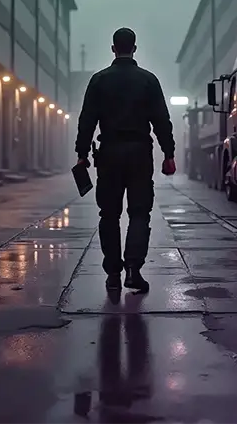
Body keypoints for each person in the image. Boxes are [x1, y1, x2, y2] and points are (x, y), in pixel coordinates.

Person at [75, 27, 176, 293]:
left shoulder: (99, 80)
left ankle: (112, 273)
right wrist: (169, 153)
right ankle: (134, 270)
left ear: (113, 48)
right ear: (134, 48)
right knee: (140, 212)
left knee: (109, 213)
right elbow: (161, 120)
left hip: (108, 153)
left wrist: (82, 154)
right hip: (140, 153)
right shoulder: (148, 80)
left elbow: (87, 120)